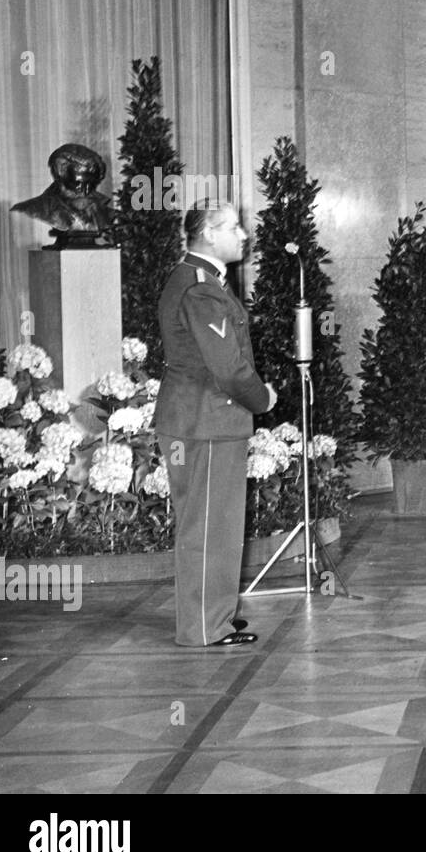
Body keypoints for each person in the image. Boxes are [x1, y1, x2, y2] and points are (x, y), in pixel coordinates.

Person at [155, 205, 277, 647]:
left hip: (200, 418)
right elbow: (226, 366)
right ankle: (206, 625)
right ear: (207, 234)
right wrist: (263, 398)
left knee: (214, 524)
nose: (244, 235)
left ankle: (215, 615)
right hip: (204, 420)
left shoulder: (194, 278)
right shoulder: (200, 289)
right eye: (232, 227)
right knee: (209, 526)